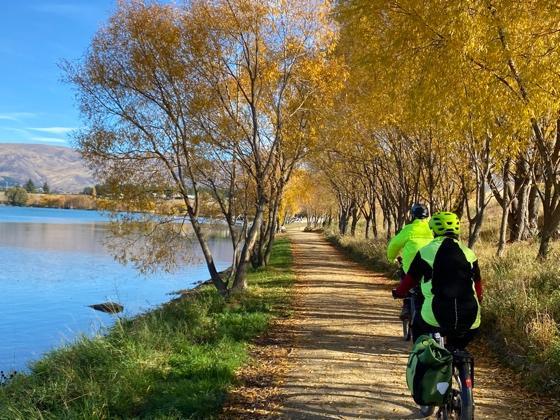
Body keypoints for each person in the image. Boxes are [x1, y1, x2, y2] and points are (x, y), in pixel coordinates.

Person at [392, 211, 483, 349]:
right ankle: (457, 359)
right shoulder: (469, 253)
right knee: (457, 347)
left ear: (433, 230)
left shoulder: (425, 252)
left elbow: (409, 280)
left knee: (418, 326)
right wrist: (479, 299)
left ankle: (422, 366)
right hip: (470, 317)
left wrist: (399, 292)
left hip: (436, 315)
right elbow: (478, 286)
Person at [387, 204, 433, 319]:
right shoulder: (432, 230)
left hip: (411, 267)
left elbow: (394, 244)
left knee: (405, 275)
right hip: (431, 268)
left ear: (413, 215)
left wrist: (391, 258)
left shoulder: (409, 229)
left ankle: (407, 306)